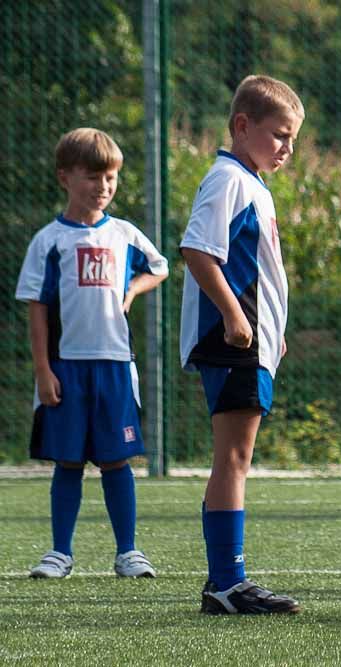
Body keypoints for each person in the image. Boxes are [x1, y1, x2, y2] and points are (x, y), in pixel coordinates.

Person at [16, 127, 168, 579]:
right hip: (65, 367)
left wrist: (132, 290)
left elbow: (158, 267)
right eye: (92, 177)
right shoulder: (48, 241)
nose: (103, 187)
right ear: (65, 177)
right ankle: (60, 553)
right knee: (67, 460)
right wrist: (43, 370)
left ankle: (128, 552)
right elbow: (38, 310)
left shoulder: (124, 234)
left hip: (116, 366)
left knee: (115, 460)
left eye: (111, 178)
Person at [179, 75, 305, 614]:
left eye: (292, 139)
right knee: (234, 455)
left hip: (252, 345)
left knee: (234, 456)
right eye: (279, 135)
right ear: (241, 125)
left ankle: (223, 581)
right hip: (233, 342)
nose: (287, 148)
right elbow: (197, 250)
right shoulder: (227, 179)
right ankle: (227, 583)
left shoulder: (251, 182)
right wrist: (235, 317)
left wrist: (272, 335)